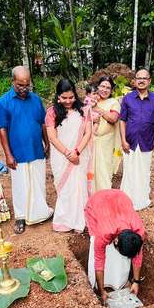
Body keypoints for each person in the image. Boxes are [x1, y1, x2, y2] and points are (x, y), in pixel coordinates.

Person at [0, 66, 53, 234]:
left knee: (38, 182)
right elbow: (2, 129)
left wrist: (46, 143)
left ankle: (40, 211)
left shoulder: (35, 99)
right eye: (20, 85)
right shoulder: (3, 102)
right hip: (17, 152)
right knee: (20, 184)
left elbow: (42, 122)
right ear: (12, 81)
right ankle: (20, 216)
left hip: (36, 148)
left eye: (27, 85)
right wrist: (8, 155)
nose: (24, 89)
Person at [46, 79, 93, 233]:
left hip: (79, 155)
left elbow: (88, 133)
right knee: (65, 189)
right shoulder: (52, 112)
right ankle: (64, 220)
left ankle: (79, 219)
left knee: (79, 187)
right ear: (58, 96)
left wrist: (77, 152)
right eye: (63, 98)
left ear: (75, 95)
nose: (67, 101)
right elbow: (52, 137)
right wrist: (68, 153)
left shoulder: (84, 111)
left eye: (71, 97)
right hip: (61, 157)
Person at [85, 189, 145, 305]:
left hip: (120, 199)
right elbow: (99, 260)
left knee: (119, 258)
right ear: (116, 240)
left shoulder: (139, 232)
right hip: (96, 203)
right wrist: (102, 291)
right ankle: (100, 284)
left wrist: (136, 282)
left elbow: (137, 255)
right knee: (100, 248)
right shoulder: (103, 233)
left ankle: (119, 281)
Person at [119, 69, 154, 210]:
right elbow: (122, 121)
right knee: (129, 170)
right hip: (130, 141)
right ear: (134, 81)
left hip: (146, 142)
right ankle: (127, 199)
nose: (141, 80)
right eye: (139, 78)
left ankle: (142, 199)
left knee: (144, 171)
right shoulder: (128, 98)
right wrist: (123, 140)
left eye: (145, 78)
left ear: (149, 81)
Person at [91, 75, 121, 191]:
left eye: (108, 87)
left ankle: (104, 198)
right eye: (102, 86)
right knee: (91, 171)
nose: (104, 89)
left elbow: (113, 119)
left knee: (104, 171)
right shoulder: (91, 101)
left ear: (111, 90)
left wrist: (97, 108)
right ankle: (92, 199)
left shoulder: (114, 103)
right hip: (91, 141)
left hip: (106, 143)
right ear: (97, 87)